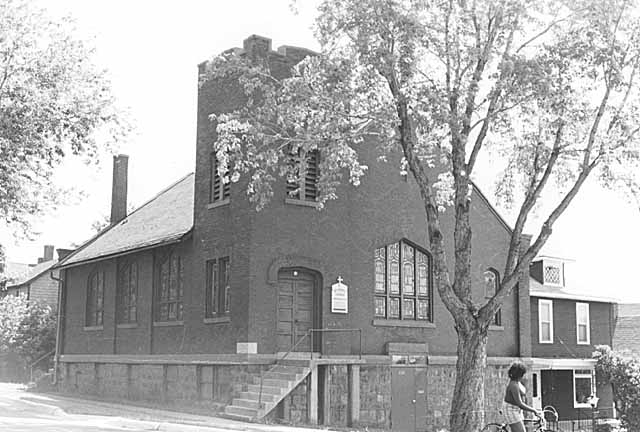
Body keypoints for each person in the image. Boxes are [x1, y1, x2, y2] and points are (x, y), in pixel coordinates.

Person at [503, 362, 541, 432]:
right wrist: (533, 410)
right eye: (522, 374)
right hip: (511, 410)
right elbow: (520, 404)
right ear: (519, 374)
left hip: (517, 410)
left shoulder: (518, 382)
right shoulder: (513, 385)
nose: (523, 376)